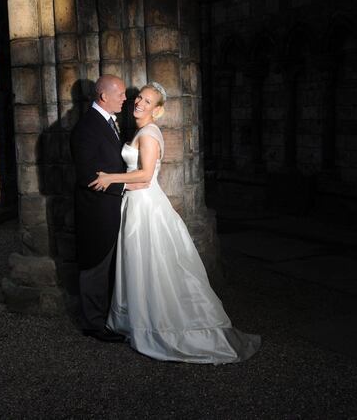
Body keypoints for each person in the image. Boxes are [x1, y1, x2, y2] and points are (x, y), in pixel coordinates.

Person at [89, 82, 260, 363]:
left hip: (145, 205)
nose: (139, 103)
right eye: (139, 98)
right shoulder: (140, 131)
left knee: (152, 264)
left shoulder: (149, 134)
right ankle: (137, 320)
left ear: (157, 110)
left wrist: (109, 177)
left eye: (147, 101)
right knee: (139, 264)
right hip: (135, 204)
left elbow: (144, 176)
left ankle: (161, 325)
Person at [70, 74, 144, 342]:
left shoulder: (109, 123)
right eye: (121, 94)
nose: (126, 99)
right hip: (96, 211)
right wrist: (124, 187)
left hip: (111, 208)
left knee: (109, 265)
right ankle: (93, 324)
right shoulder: (86, 128)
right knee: (95, 265)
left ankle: (108, 318)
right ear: (104, 96)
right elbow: (87, 176)